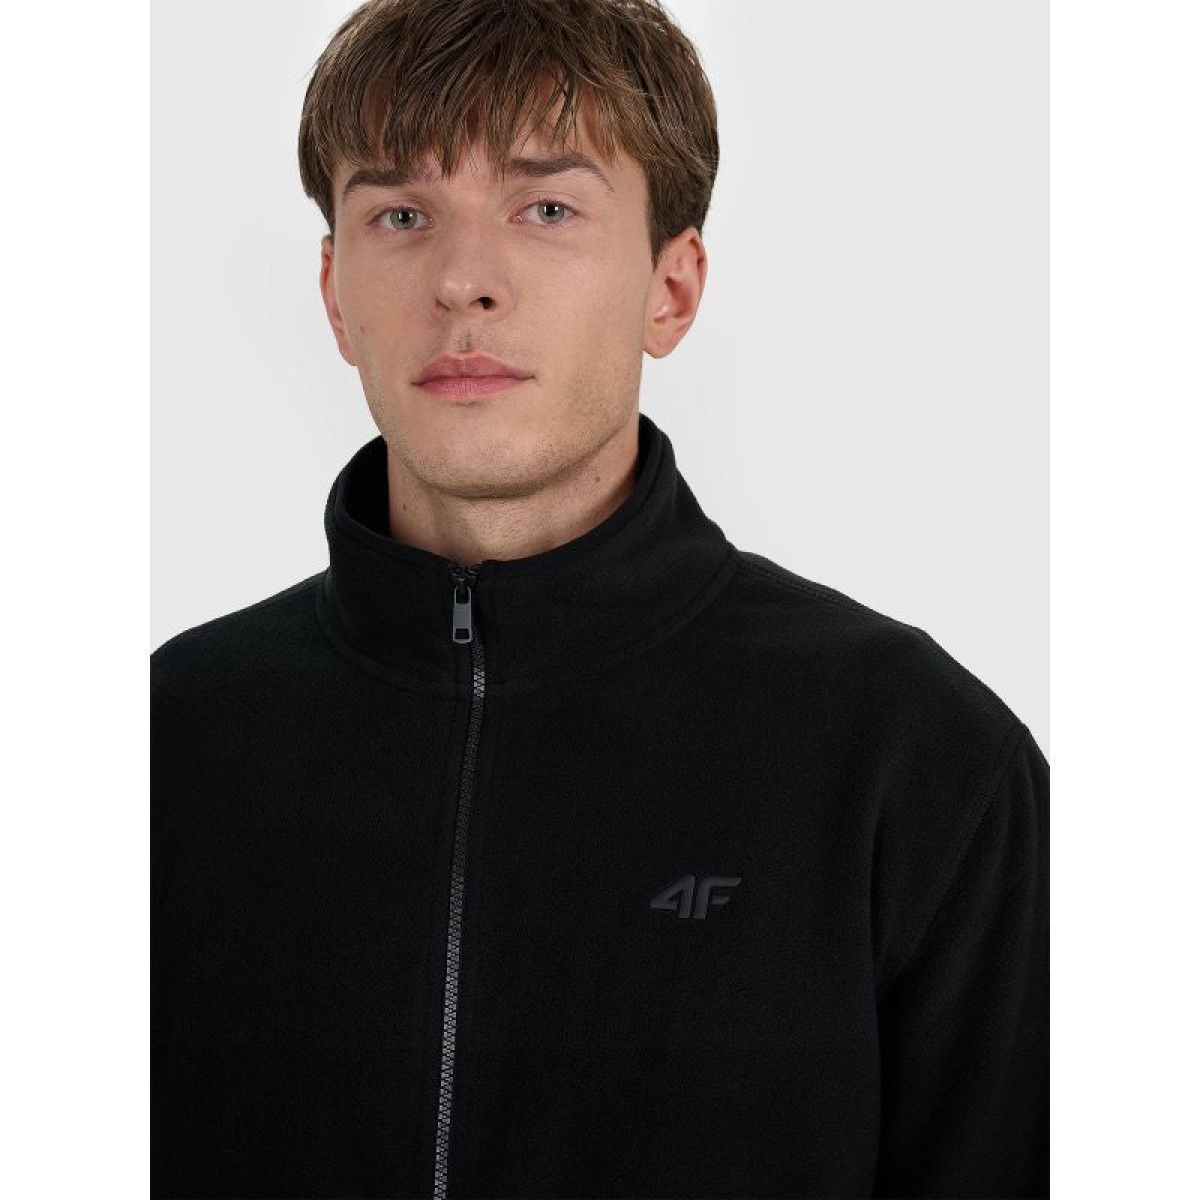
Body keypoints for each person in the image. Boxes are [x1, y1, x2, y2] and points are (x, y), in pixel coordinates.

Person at [151, 1, 1049, 1197]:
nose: (463, 281)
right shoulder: (158, 745)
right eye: (402, 215)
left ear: (670, 289)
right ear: (333, 293)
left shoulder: (916, 760)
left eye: (547, 209)